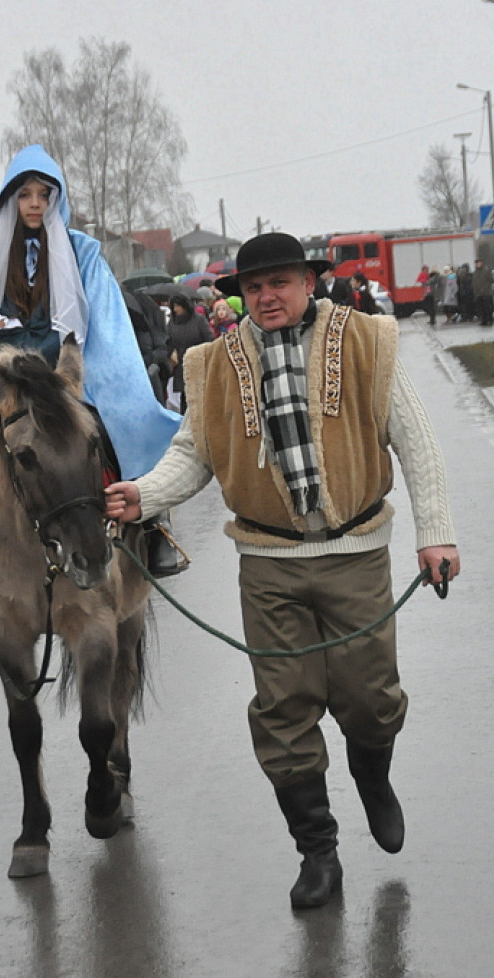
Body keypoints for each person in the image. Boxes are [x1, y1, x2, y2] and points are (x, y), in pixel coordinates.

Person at [105, 233, 460, 910]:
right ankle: (317, 852)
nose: (267, 297)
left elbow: (415, 438)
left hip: (355, 554)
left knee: (371, 700)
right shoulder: (211, 363)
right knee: (283, 709)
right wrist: (142, 495)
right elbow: (193, 453)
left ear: (308, 283)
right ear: (243, 294)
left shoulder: (367, 341)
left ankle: (373, 777)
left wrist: (435, 533)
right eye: (255, 287)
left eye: (280, 283)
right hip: (268, 564)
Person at [0, 144, 182, 585]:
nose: (34, 203)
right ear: (10, 199)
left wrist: (86, 373)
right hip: (0, 381)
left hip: (64, 378)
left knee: (130, 420)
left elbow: (105, 320)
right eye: (24, 194)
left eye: (43, 194)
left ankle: (154, 527)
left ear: (55, 198)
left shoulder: (82, 252)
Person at [166, 293, 213, 414]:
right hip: (181, 364)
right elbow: (168, 342)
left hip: (199, 362)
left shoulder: (199, 320)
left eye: (178, 306)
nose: (176, 309)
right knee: (185, 397)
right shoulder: (173, 322)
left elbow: (209, 340)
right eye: (174, 306)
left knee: (199, 395)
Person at [472, 258, 494, 326]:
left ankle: (490, 320)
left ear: (481, 263)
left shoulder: (486, 271)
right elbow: (474, 282)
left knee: (487, 308)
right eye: (476, 263)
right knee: (481, 308)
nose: (478, 264)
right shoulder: (475, 272)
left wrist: (485, 288)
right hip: (478, 294)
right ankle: (484, 320)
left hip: (486, 293)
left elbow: (491, 280)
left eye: (479, 262)